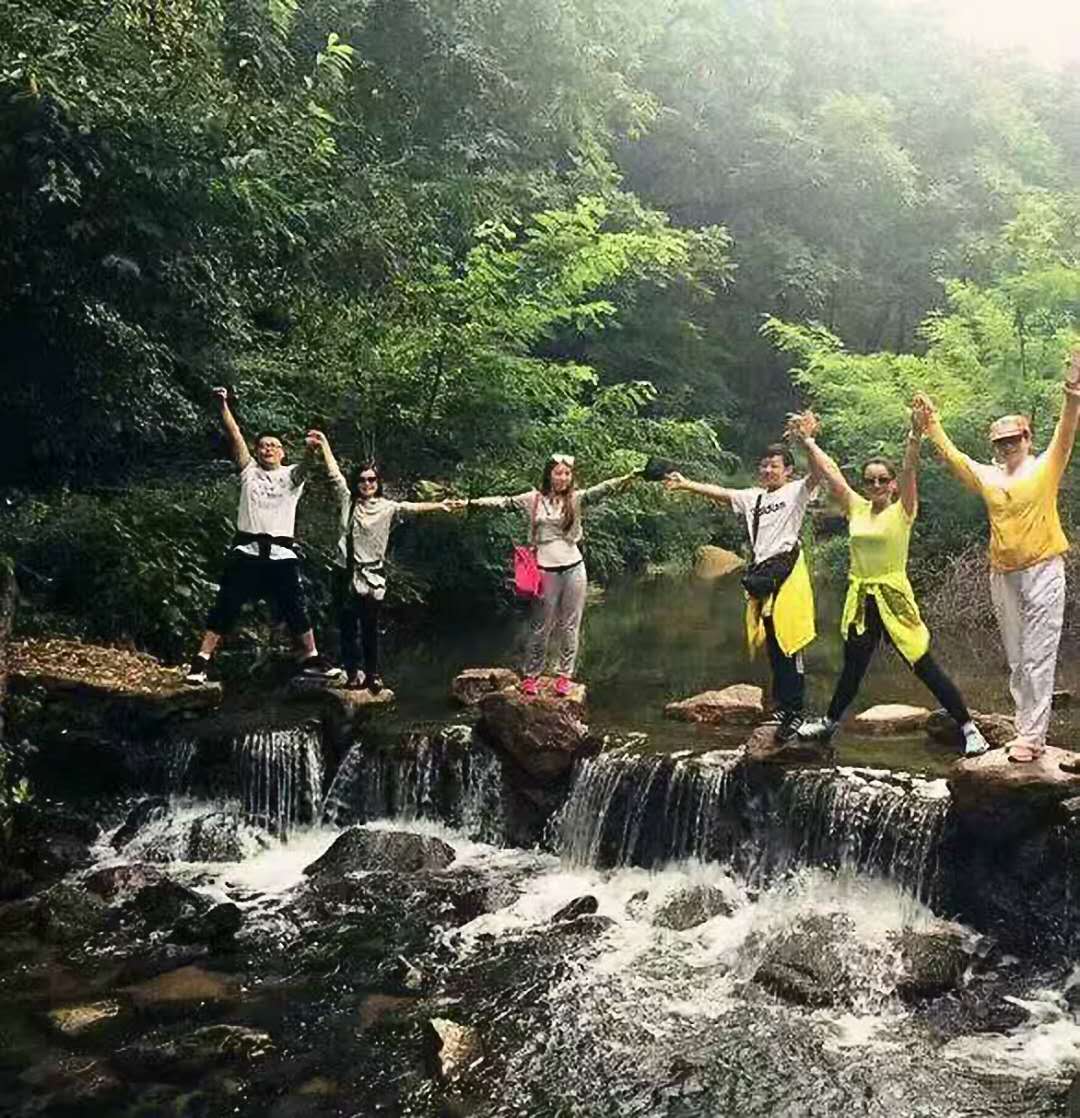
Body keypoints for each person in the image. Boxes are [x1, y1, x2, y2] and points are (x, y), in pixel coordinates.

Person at [785, 409, 990, 756]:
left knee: (923, 664)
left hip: (893, 597)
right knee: (853, 668)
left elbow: (910, 469)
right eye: (870, 481)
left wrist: (915, 435)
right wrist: (807, 441)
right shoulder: (856, 507)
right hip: (862, 598)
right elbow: (832, 472)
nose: (877, 486)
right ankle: (829, 723)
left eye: (883, 480)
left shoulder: (903, 510)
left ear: (893, 484)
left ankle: (970, 729)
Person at [914, 346, 1080, 762]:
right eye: (1001, 442)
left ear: (1027, 438)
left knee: (1039, 655)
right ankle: (1025, 728)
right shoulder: (988, 476)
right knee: (1017, 657)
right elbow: (955, 459)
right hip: (1002, 572)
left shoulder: (1045, 466)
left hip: (1043, 568)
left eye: (1013, 440)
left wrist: (1072, 391)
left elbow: (1066, 431)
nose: (1007, 446)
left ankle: (1032, 736)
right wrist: (931, 424)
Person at [185, 388, 342, 685]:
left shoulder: (291, 476)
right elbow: (235, 436)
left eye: (274, 445)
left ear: (282, 452)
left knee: (295, 605)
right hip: (247, 550)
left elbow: (308, 464)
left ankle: (311, 657)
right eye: (263, 446)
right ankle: (201, 660)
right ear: (257, 451)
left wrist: (312, 448)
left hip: (282, 554)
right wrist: (223, 406)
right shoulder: (249, 471)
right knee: (227, 603)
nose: (268, 449)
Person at [664, 443, 821, 742]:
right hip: (764, 577)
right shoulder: (753, 497)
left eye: (774, 465)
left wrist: (808, 441)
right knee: (773, 644)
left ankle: (795, 711)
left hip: (788, 576)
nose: (768, 470)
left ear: (788, 470)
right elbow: (721, 493)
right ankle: (782, 708)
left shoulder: (797, 492)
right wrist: (686, 484)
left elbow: (819, 472)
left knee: (790, 643)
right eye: (764, 465)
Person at [466, 455, 639, 696]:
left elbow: (602, 490)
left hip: (574, 567)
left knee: (570, 626)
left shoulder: (575, 499)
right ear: (549, 474)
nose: (563, 478)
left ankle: (564, 676)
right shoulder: (533, 499)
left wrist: (629, 477)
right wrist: (470, 503)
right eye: (558, 473)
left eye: (567, 473)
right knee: (540, 625)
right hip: (545, 570)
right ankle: (531, 676)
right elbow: (504, 502)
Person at [308, 431, 459, 692]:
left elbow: (410, 507)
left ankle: (372, 674)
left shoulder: (387, 507)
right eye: (362, 480)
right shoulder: (347, 501)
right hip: (345, 572)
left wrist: (441, 505)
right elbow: (335, 475)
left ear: (378, 483)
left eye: (371, 480)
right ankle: (352, 672)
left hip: (372, 576)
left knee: (369, 628)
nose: (367, 484)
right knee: (347, 626)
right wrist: (325, 446)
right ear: (356, 483)